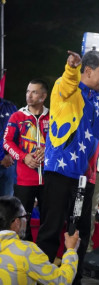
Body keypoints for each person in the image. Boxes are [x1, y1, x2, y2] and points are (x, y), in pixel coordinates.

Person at [36, 50, 99, 284]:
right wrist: (71, 67)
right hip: (60, 171)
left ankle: (75, 279)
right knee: (51, 229)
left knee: (81, 231)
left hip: (85, 178)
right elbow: (68, 81)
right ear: (89, 71)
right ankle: (41, 279)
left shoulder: (97, 100)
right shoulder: (66, 89)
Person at [3, 79, 49, 241]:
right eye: (28, 91)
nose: (29, 95)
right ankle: (25, 258)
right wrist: (24, 157)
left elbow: (62, 143)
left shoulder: (54, 117)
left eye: (34, 92)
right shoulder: (17, 117)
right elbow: (7, 142)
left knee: (48, 223)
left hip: (49, 180)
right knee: (22, 223)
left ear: (43, 96)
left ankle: (45, 259)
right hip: (24, 180)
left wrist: (48, 151)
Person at [0, 196, 80, 284]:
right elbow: (62, 281)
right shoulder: (26, 251)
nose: (26, 220)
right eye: (25, 216)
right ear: (17, 222)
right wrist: (71, 250)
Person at [0, 96, 17, 197]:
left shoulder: (10, 106)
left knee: (7, 207)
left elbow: (17, 133)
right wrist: (1, 157)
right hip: (5, 159)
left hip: (9, 165)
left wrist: (11, 154)